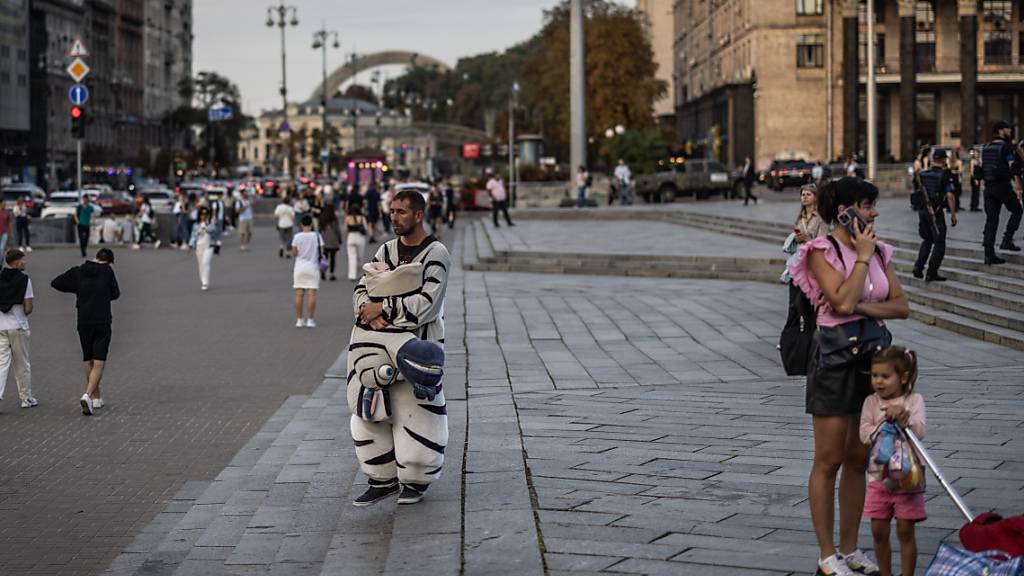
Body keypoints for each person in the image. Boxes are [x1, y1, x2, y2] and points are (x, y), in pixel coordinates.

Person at [788, 177, 909, 576]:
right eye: (866, 205)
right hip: (834, 359)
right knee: (829, 458)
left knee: (858, 458)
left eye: (873, 205)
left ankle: (851, 549)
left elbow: (901, 306)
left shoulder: (880, 251)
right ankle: (827, 556)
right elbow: (838, 301)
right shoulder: (820, 251)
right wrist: (860, 259)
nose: (874, 213)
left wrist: (861, 304)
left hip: (873, 360)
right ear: (843, 210)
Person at [350, 189, 451, 506]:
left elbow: (427, 305)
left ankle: (415, 479)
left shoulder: (436, 253)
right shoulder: (386, 250)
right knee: (370, 415)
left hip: (416, 351)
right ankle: (381, 478)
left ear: (419, 215)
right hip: (378, 351)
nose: (393, 217)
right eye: (391, 211)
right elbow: (362, 289)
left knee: (418, 416)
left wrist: (383, 310)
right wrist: (368, 309)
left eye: (401, 212)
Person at [859, 346, 926, 576]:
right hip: (878, 478)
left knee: (906, 530)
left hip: (908, 479)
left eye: (885, 376)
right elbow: (864, 434)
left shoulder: (913, 400)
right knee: (878, 530)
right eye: (875, 376)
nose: (879, 381)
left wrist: (905, 418)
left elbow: (920, 431)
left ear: (903, 377)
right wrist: (882, 424)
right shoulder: (871, 403)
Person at [51, 248, 120, 416]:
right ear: (109, 262)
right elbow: (115, 293)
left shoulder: (78, 271)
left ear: (96, 257)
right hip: (102, 320)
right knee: (99, 362)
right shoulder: (107, 271)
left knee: (88, 358)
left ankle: (96, 398)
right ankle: (87, 395)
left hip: (83, 320)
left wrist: (78, 289)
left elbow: (56, 282)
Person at [981, 120, 1023, 265]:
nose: (1010, 132)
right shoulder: (1006, 147)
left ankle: (988, 253)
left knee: (991, 220)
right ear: (1000, 131)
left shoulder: (986, 147)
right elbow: (1012, 166)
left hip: (988, 188)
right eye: (1007, 129)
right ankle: (1007, 239)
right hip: (1002, 187)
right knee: (1017, 210)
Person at [911, 149, 957, 282]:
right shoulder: (944, 175)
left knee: (927, 240)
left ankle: (918, 267)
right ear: (943, 160)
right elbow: (949, 195)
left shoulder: (924, 174)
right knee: (939, 243)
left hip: (923, 212)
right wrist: (953, 214)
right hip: (935, 213)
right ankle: (932, 272)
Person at [0, 249, 36, 408]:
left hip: (1, 326)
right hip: (18, 326)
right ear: (16, 262)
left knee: (2, 364)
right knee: (22, 365)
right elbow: (28, 307)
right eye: (23, 260)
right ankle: (26, 398)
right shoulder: (24, 280)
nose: (25, 262)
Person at [291, 214, 323, 328]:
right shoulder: (317, 236)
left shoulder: (297, 236)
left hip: (299, 267)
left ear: (301, 224)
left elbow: (294, 253)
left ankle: (299, 320)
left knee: (299, 294)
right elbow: (322, 251)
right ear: (311, 224)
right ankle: (310, 320)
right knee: (311, 294)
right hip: (313, 267)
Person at [188, 206, 215, 291]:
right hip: (199, 246)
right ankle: (203, 280)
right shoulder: (196, 225)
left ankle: (205, 283)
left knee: (205, 262)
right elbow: (193, 236)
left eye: (206, 214)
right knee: (200, 264)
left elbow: (213, 230)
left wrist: (206, 225)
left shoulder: (210, 223)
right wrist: (190, 246)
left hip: (209, 246)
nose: (204, 216)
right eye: (202, 214)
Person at [344, 204, 368, 281]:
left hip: (351, 236)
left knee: (351, 257)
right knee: (360, 257)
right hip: (360, 237)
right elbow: (366, 228)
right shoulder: (361, 218)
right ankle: (360, 274)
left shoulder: (347, 218)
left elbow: (345, 229)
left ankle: (352, 275)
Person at [319, 207, 342, 282]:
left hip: (324, 240)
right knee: (333, 258)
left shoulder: (322, 219)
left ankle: (323, 270)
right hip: (333, 241)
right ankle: (332, 273)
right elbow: (337, 230)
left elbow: (319, 230)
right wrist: (339, 239)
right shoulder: (334, 220)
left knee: (324, 257)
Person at [73, 193, 99, 258]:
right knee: (81, 238)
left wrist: (94, 224)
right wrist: (77, 221)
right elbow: (75, 214)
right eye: (84, 199)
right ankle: (83, 252)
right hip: (80, 224)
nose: (85, 200)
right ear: (83, 199)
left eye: (86, 199)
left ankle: (84, 249)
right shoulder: (80, 206)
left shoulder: (90, 207)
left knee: (86, 238)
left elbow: (93, 216)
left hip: (87, 225)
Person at [948, 146, 964, 211]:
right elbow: (960, 171)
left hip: (950, 179)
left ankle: (950, 207)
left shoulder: (949, 161)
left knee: (950, 193)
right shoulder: (958, 162)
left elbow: (948, 169)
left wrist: (952, 171)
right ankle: (956, 206)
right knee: (956, 193)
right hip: (956, 178)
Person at [968, 148, 983, 212]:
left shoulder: (979, 161)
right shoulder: (972, 161)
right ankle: (973, 206)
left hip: (978, 178)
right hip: (974, 178)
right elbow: (971, 172)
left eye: (978, 153)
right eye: (975, 153)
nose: (977, 154)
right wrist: (975, 179)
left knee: (977, 193)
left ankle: (976, 205)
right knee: (974, 193)